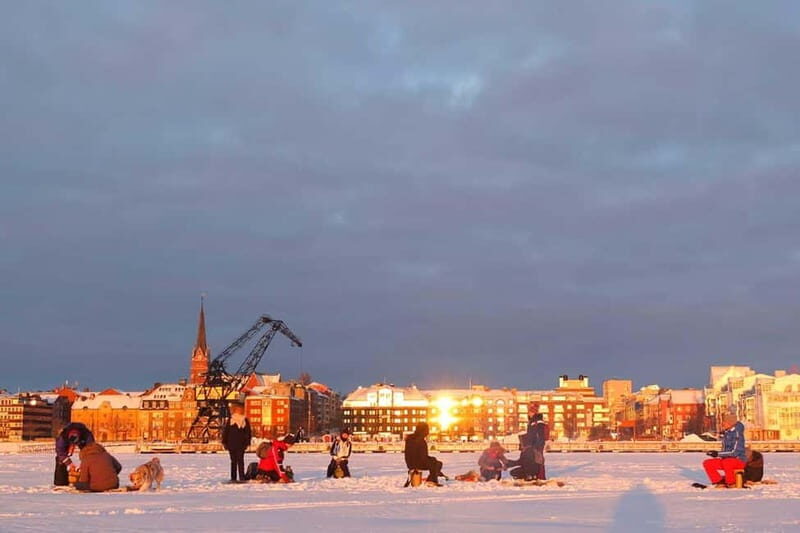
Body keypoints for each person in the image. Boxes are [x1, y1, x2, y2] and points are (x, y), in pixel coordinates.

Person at [703, 413, 746, 487]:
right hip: (727, 460)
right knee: (707, 463)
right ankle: (719, 482)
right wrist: (715, 454)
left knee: (727, 462)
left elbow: (734, 452)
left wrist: (718, 454)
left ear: (730, 423)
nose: (722, 424)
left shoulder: (737, 434)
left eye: (724, 422)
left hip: (739, 460)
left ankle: (731, 483)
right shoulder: (727, 433)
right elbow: (725, 449)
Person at [404, 422, 443, 486]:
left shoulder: (410, 439)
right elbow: (423, 457)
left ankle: (433, 477)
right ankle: (431, 480)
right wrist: (433, 460)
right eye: (427, 430)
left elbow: (408, 455)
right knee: (437, 463)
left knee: (434, 463)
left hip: (410, 464)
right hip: (418, 463)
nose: (428, 432)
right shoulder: (420, 440)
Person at [221, 402, 251, 483]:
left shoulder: (233, 420)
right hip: (237, 444)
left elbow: (226, 432)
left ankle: (236, 477)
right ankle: (239, 477)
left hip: (234, 444)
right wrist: (247, 442)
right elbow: (248, 433)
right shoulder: (241, 420)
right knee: (237, 461)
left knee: (236, 461)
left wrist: (224, 442)